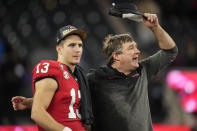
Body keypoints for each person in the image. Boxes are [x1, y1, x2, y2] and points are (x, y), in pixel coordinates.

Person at [12, 13, 178, 131]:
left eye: (80, 45)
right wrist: (30, 102)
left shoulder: (143, 70)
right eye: (131, 48)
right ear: (116, 56)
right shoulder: (95, 79)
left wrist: (155, 28)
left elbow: (171, 51)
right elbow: (63, 95)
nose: (137, 51)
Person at [11, 25, 94, 131]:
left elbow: (61, 100)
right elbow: (37, 113)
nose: (77, 50)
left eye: (80, 45)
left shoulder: (78, 74)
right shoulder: (51, 68)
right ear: (59, 49)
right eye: (72, 45)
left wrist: (31, 102)